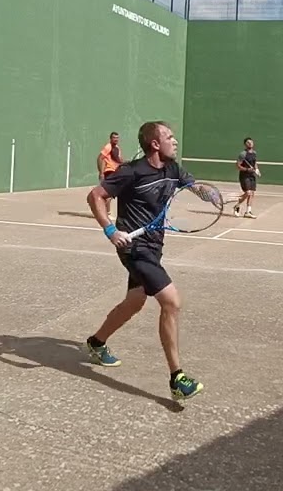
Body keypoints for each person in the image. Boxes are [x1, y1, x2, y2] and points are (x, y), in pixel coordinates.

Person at [82, 120, 216, 401]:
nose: (175, 141)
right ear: (155, 144)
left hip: (153, 247)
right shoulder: (131, 172)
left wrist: (213, 196)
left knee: (134, 302)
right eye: (169, 137)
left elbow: (194, 187)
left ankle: (96, 343)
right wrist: (110, 230)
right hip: (134, 248)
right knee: (171, 302)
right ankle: (177, 378)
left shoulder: (173, 169)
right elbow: (95, 195)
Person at [97, 131, 122, 220]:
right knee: (109, 194)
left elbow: (119, 160)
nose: (116, 139)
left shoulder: (117, 148)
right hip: (109, 171)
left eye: (117, 138)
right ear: (111, 139)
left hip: (114, 172)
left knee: (109, 194)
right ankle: (107, 213)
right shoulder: (108, 147)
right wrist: (101, 172)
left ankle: (104, 211)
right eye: (114, 138)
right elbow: (100, 158)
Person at [234, 137, 259, 219]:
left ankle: (248, 212)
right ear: (245, 144)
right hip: (244, 176)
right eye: (248, 142)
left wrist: (257, 169)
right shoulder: (243, 154)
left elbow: (255, 163)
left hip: (252, 175)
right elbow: (238, 165)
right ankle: (237, 205)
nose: (250, 143)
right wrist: (247, 169)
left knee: (252, 193)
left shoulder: (254, 153)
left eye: (251, 142)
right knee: (248, 192)